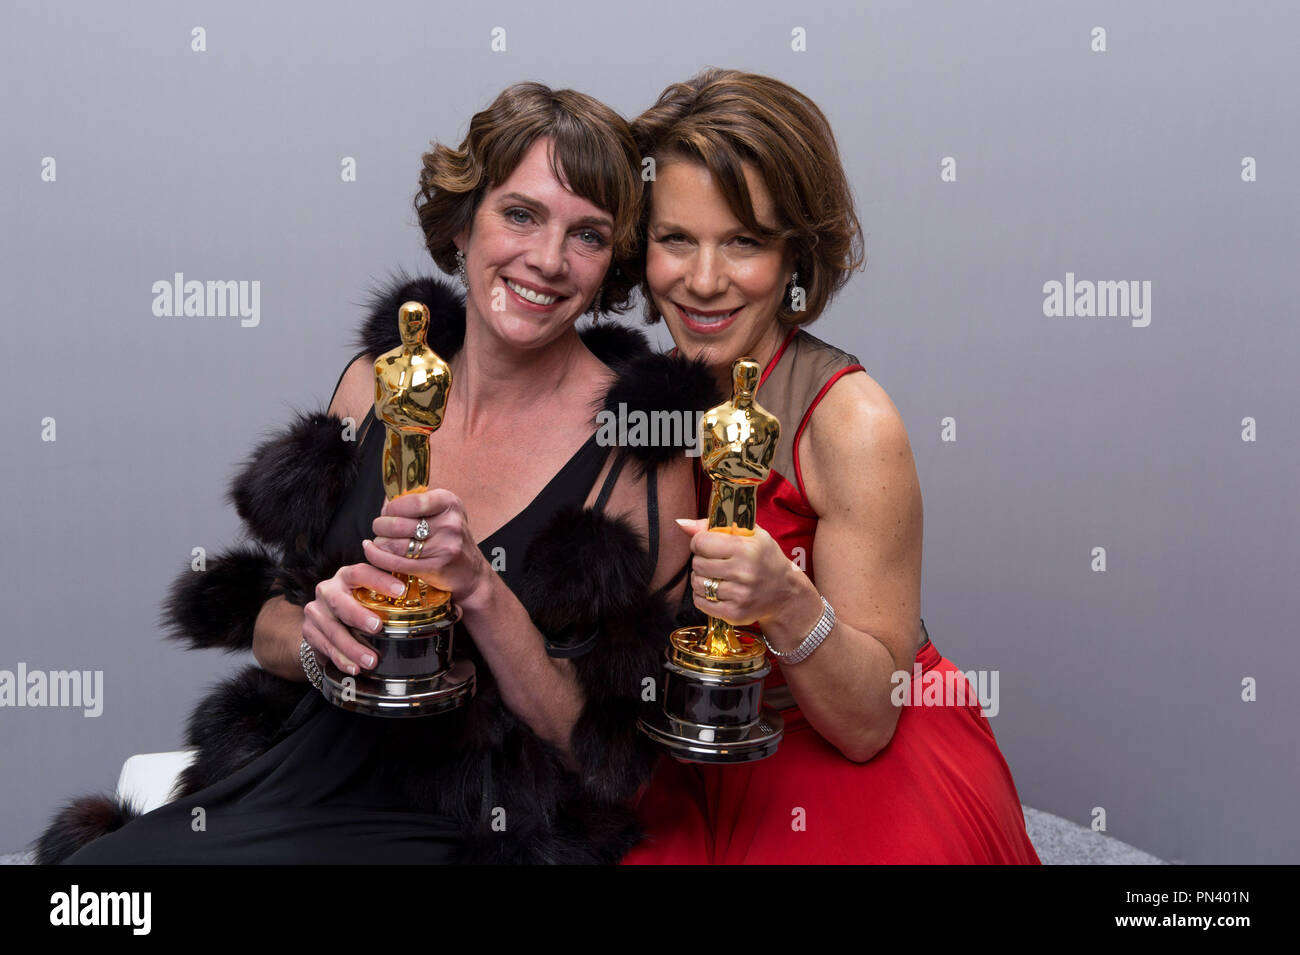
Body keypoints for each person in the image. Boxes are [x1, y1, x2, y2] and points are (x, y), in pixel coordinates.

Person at [34, 82, 706, 865]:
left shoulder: (640, 450)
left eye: (587, 234)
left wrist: (482, 593)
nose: (548, 260)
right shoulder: (374, 381)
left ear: (611, 263)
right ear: (463, 223)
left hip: (478, 824)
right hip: (298, 774)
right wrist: (320, 637)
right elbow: (272, 625)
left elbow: (608, 758)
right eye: (519, 214)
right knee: (91, 892)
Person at [622, 69, 1042, 864]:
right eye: (676, 238)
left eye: (744, 241)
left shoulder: (852, 422)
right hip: (687, 748)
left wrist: (785, 600)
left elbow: (867, 721)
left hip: (843, 739)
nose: (704, 280)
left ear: (796, 255)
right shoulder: (633, 399)